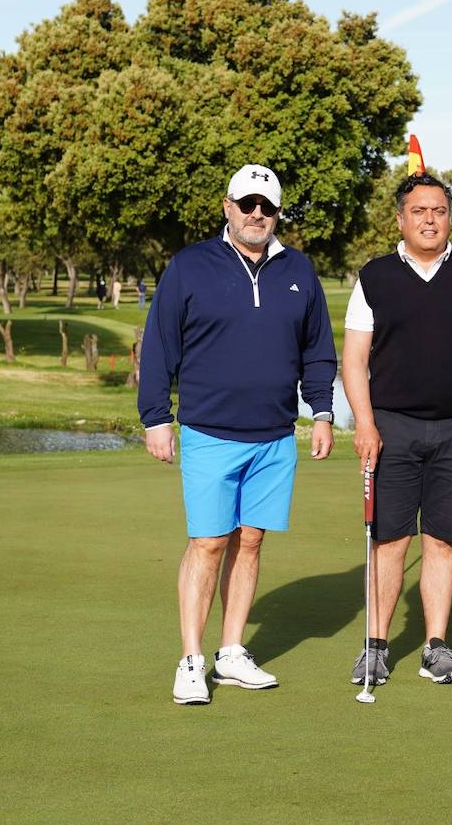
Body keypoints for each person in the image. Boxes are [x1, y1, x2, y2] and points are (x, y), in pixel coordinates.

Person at [138, 163, 337, 706]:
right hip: (208, 430)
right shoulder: (191, 266)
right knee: (208, 543)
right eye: (247, 204)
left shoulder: (299, 269)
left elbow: (317, 349)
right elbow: (159, 345)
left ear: (277, 214)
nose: (256, 214)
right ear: (227, 206)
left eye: (267, 207)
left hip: (275, 434)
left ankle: (230, 652)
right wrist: (157, 417)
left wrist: (322, 412)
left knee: (250, 540)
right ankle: (191, 660)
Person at [342, 172, 452, 688]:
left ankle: (435, 646)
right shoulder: (374, 276)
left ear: (448, 217)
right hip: (391, 427)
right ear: (400, 219)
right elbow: (354, 360)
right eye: (418, 211)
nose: (428, 219)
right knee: (391, 540)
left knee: (441, 539)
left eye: (438, 210)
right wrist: (366, 424)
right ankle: (375, 646)